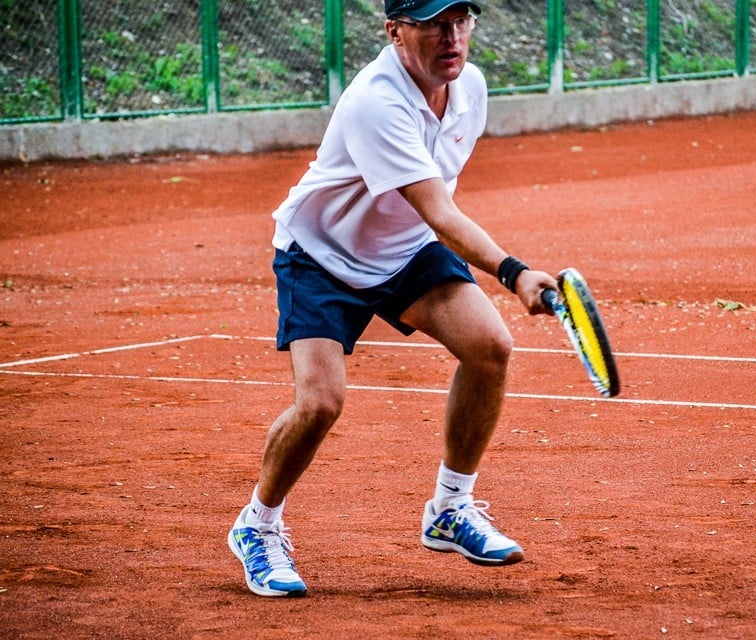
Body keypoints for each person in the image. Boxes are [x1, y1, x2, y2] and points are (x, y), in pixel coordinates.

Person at [228, 0, 557, 597]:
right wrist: (514, 272)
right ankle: (258, 524)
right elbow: (438, 207)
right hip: (321, 254)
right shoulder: (375, 101)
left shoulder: (470, 88)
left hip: (404, 251)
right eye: (433, 24)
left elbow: (429, 211)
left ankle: (450, 509)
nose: (451, 36)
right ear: (396, 32)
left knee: (489, 346)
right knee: (320, 403)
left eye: (462, 21)